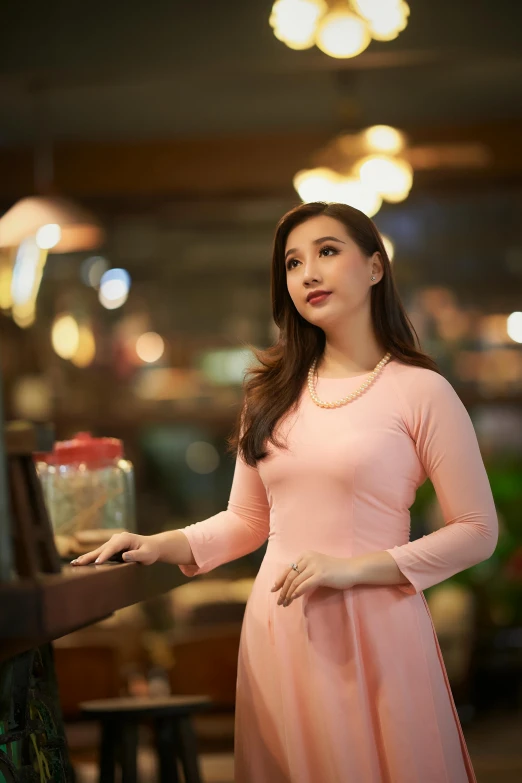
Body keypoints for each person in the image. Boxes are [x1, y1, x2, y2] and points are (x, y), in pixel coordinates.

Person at [72, 202, 498, 783]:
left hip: (374, 627)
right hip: (279, 626)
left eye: (327, 252)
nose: (308, 274)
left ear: (375, 267)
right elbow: (246, 521)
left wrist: (350, 569)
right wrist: (157, 543)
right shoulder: (269, 395)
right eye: (293, 263)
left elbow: (477, 531)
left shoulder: (422, 391)